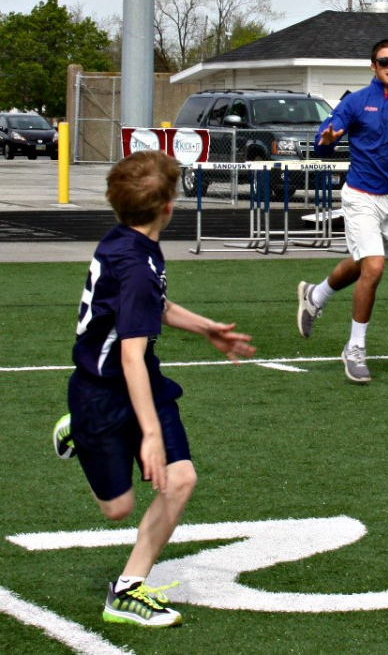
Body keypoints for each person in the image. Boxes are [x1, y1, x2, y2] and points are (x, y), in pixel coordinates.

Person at [52, 149, 255, 627]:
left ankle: (127, 590)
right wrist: (149, 434)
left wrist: (206, 328)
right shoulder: (137, 264)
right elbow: (129, 355)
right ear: (167, 207)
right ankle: (79, 431)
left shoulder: (128, 241)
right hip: (101, 394)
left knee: (180, 480)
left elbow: (153, 306)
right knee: (117, 509)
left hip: (144, 381)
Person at [297, 39, 388, 383]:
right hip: (360, 195)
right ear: (373, 66)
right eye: (384, 61)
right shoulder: (357, 101)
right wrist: (326, 140)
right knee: (373, 267)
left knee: (364, 264)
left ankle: (316, 294)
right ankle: (355, 348)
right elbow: (324, 139)